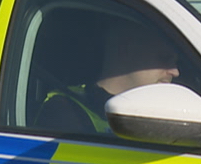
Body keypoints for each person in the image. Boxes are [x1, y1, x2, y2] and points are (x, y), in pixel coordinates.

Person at [37, 22, 181, 135]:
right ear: (125, 50)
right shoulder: (64, 111)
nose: (175, 72)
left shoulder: (163, 111)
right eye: (164, 58)